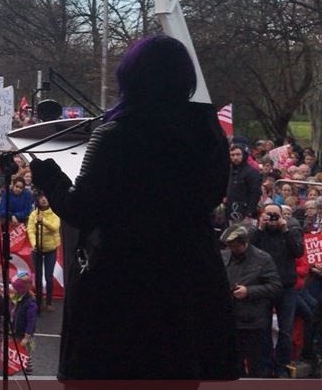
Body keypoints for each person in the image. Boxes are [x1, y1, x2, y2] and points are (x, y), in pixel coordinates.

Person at [30, 34, 239, 379]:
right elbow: (211, 193)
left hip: (125, 280)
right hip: (191, 274)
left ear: (131, 76)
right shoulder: (208, 131)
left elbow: (80, 209)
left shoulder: (117, 134)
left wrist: (49, 176)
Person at [250, 202, 305, 377]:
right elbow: (249, 251)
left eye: (276, 215)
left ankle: (282, 365)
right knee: (264, 328)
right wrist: (260, 228)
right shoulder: (259, 233)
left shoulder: (290, 232)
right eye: (269, 214)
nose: (272, 219)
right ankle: (266, 366)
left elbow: (298, 252)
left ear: (282, 216)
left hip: (286, 287)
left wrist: (285, 230)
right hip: (264, 287)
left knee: (285, 329)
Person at [221, 225, 282, 378]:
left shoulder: (262, 258)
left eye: (235, 246)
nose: (232, 249)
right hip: (230, 318)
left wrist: (249, 291)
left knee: (257, 364)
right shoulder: (225, 256)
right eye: (230, 246)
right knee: (233, 363)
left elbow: (275, 286)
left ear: (244, 243)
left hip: (253, 320)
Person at [26, 191, 61, 312]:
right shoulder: (33, 214)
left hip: (51, 249)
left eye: (45, 196)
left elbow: (55, 227)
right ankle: (39, 302)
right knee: (38, 277)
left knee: (48, 276)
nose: (43, 199)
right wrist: (34, 244)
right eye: (40, 197)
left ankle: (49, 302)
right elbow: (30, 230)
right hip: (37, 250)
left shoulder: (55, 213)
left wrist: (43, 222)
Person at [10, 273, 38, 375]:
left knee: (25, 351)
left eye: (15, 289)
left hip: (24, 333)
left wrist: (27, 337)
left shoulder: (31, 304)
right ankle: (15, 365)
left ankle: (27, 367)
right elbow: (13, 308)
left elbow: (31, 322)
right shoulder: (18, 297)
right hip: (17, 329)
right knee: (15, 349)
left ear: (21, 289)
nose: (14, 290)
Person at [228, 144, 263, 223]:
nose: (235, 158)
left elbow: (255, 194)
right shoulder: (229, 171)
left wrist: (249, 213)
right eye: (232, 155)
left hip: (244, 211)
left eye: (238, 154)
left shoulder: (252, 172)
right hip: (229, 210)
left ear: (243, 155)